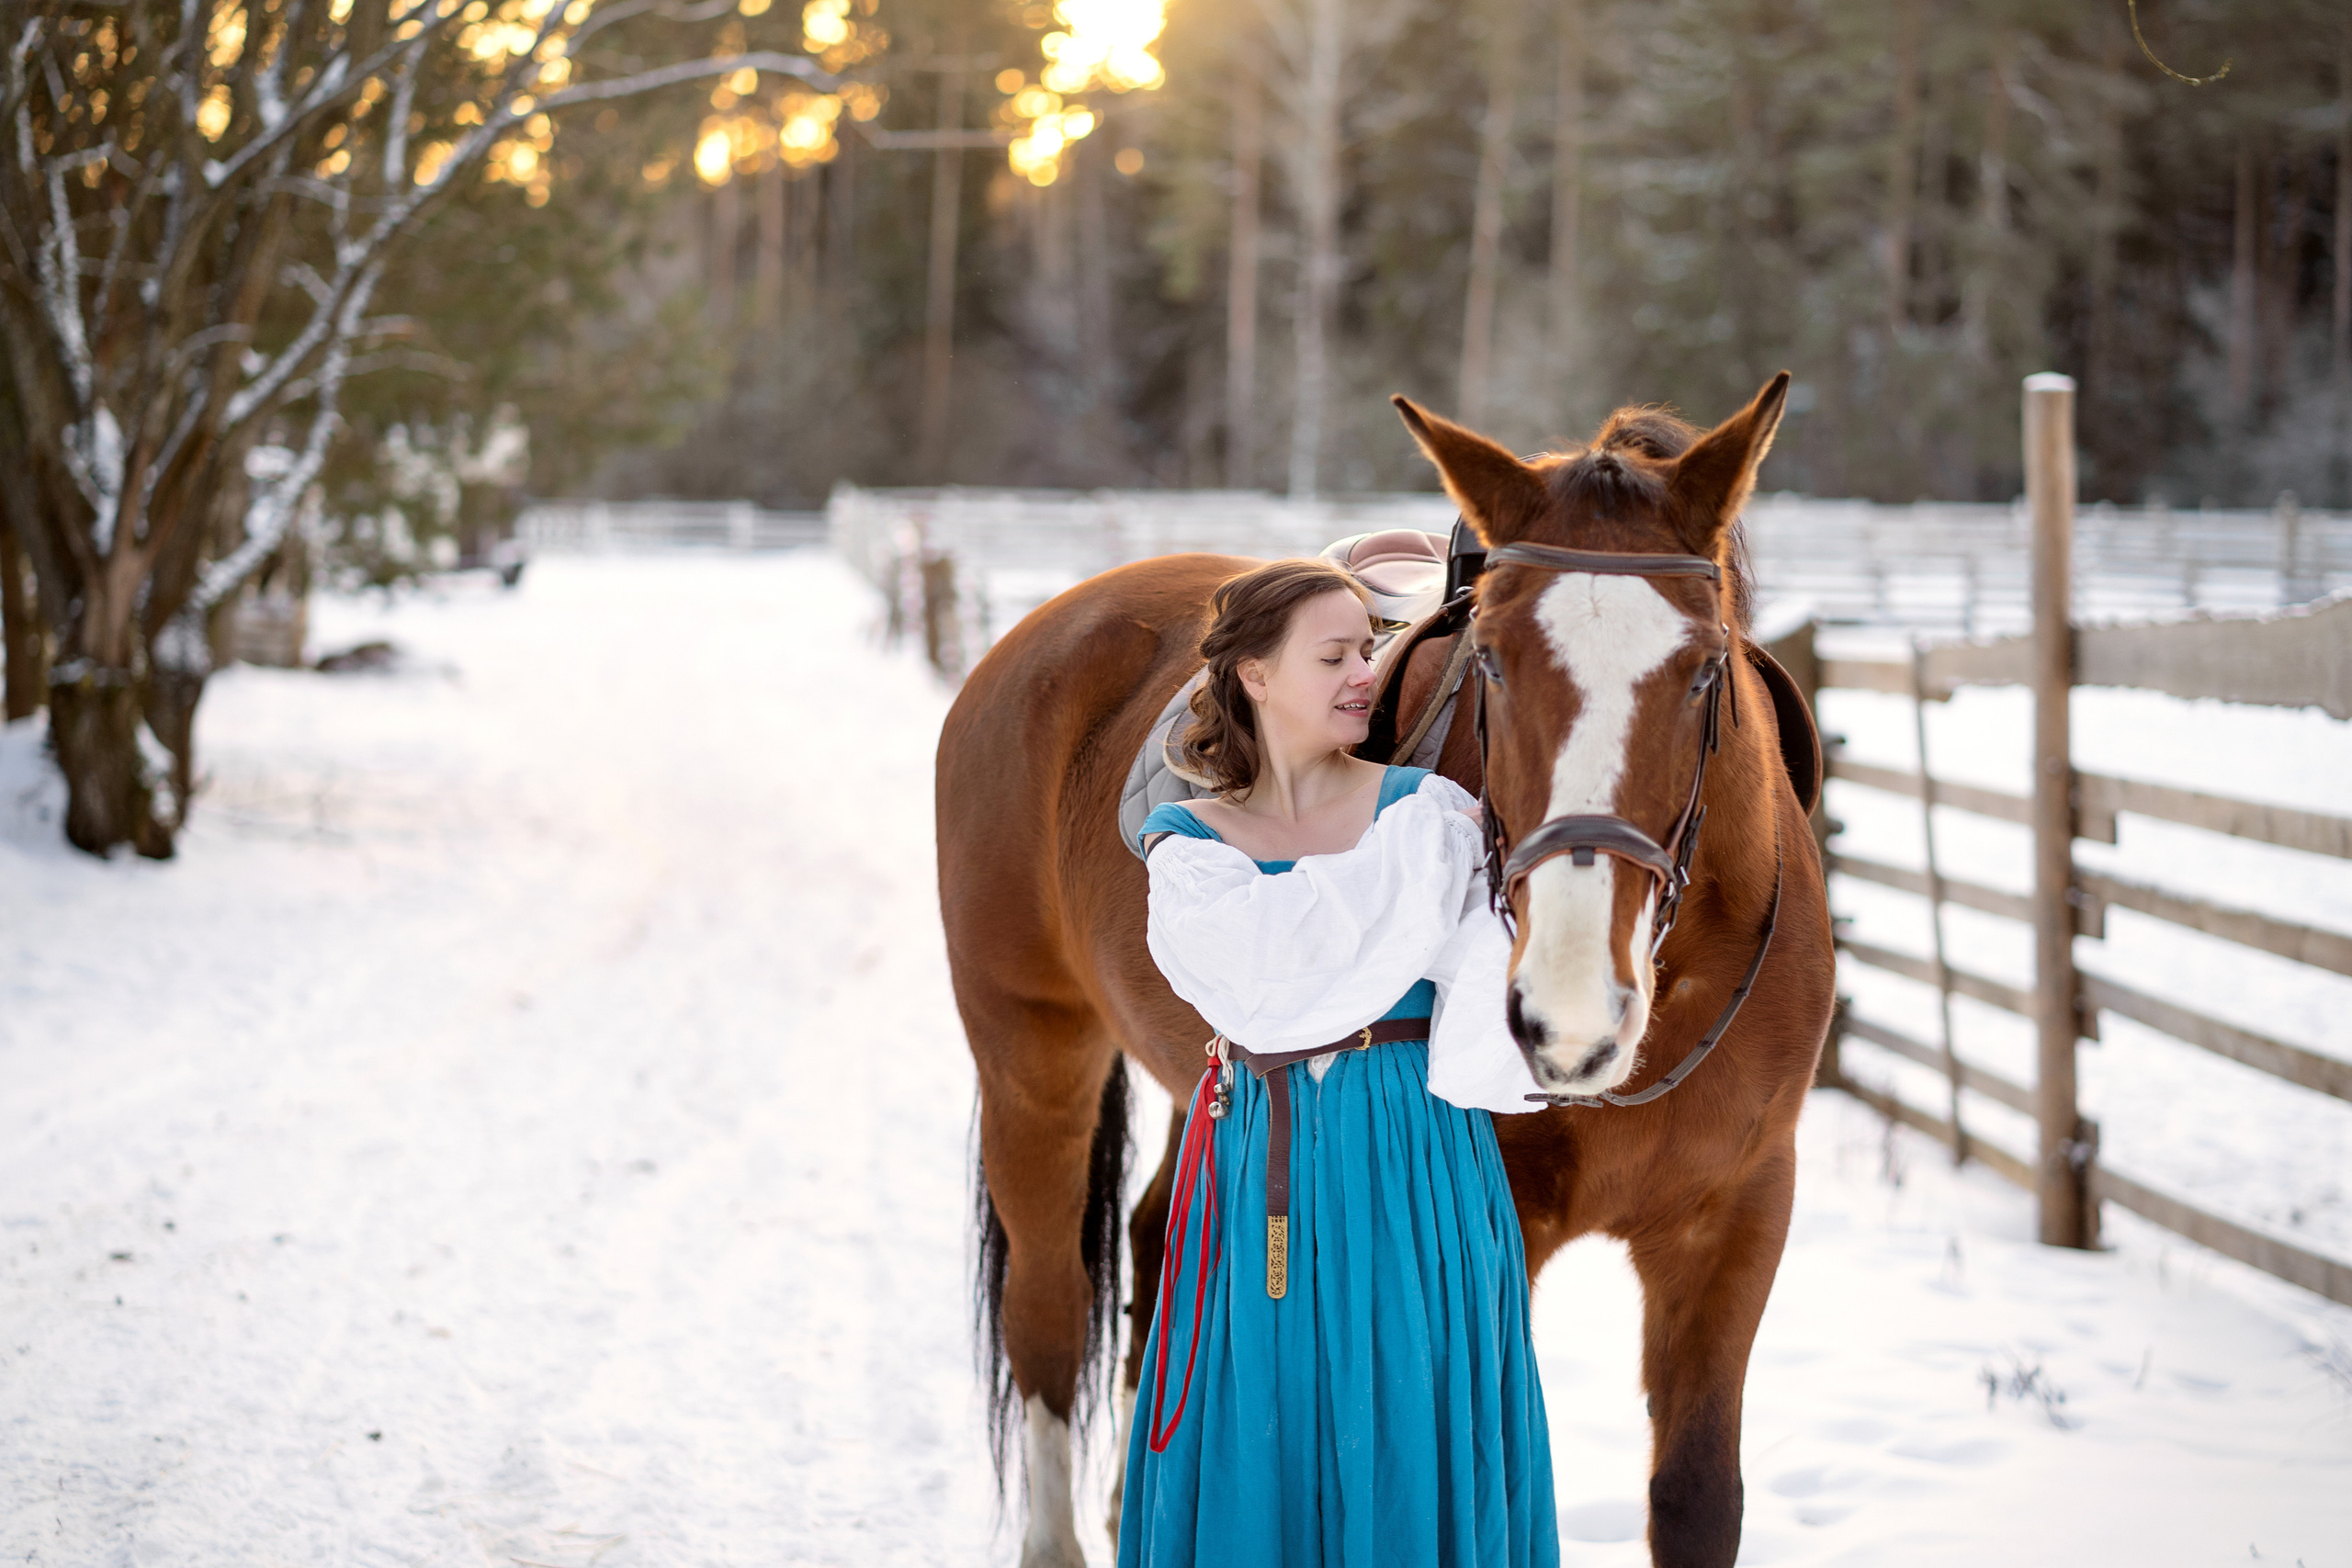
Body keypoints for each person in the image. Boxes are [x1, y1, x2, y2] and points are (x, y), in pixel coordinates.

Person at [1118, 557, 1558, 1567]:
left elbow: (1492, 1022)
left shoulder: (1434, 811)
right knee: (1259, 1414)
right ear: (1255, 675)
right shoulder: (1190, 843)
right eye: (1334, 656)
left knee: (1411, 1407)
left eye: (1368, 649)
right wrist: (1402, 886)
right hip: (1259, 1163)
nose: (1366, 673)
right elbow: (1261, 987)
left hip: (1417, 1159)